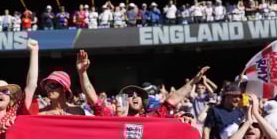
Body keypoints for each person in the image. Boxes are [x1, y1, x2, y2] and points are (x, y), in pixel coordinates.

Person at [77, 49, 209, 117]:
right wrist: (82, 72)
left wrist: (193, 82)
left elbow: (172, 101)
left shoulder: (152, 118)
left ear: (143, 104)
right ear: (122, 101)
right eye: (129, 95)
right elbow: (94, 100)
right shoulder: (111, 118)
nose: (134, 96)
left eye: (137, 94)